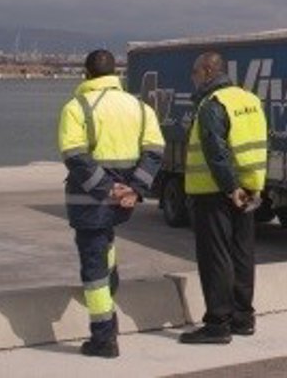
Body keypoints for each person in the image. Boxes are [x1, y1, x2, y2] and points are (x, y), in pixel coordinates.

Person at [57, 49, 164, 359]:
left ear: (86, 73)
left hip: (90, 202)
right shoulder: (140, 107)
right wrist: (135, 188)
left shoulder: (76, 107)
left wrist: (107, 189)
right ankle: (110, 291)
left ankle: (104, 338)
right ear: (115, 73)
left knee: (93, 272)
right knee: (107, 242)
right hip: (123, 200)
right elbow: (155, 151)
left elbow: (74, 154)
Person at [180, 51, 268, 345]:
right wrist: (249, 186)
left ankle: (217, 323)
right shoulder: (250, 100)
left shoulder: (213, 104)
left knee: (216, 257)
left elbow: (215, 150)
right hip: (250, 188)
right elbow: (263, 143)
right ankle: (243, 318)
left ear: (207, 71)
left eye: (195, 73)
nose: (193, 79)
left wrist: (230, 188)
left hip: (215, 192)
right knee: (242, 255)